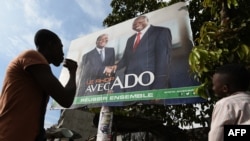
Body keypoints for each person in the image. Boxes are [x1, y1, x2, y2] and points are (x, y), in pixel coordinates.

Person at [0, 29, 78, 141]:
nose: (62, 52)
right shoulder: (32, 56)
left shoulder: (39, 69)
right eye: (60, 47)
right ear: (50, 44)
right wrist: (73, 72)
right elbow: (66, 99)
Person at [112, 15, 172, 92]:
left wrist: (159, 87)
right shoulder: (130, 39)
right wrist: (115, 67)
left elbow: (163, 60)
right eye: (134, 24)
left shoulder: (161, 32)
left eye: (139, 22)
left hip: (150, 84)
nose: (136, 25)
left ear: (147, 21)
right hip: (129, 85)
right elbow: (125, 59)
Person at [208, 64, 250, 141]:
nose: (213, 88)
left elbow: (217, 135)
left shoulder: (226, 104)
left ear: (225, 88)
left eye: (214, 85)